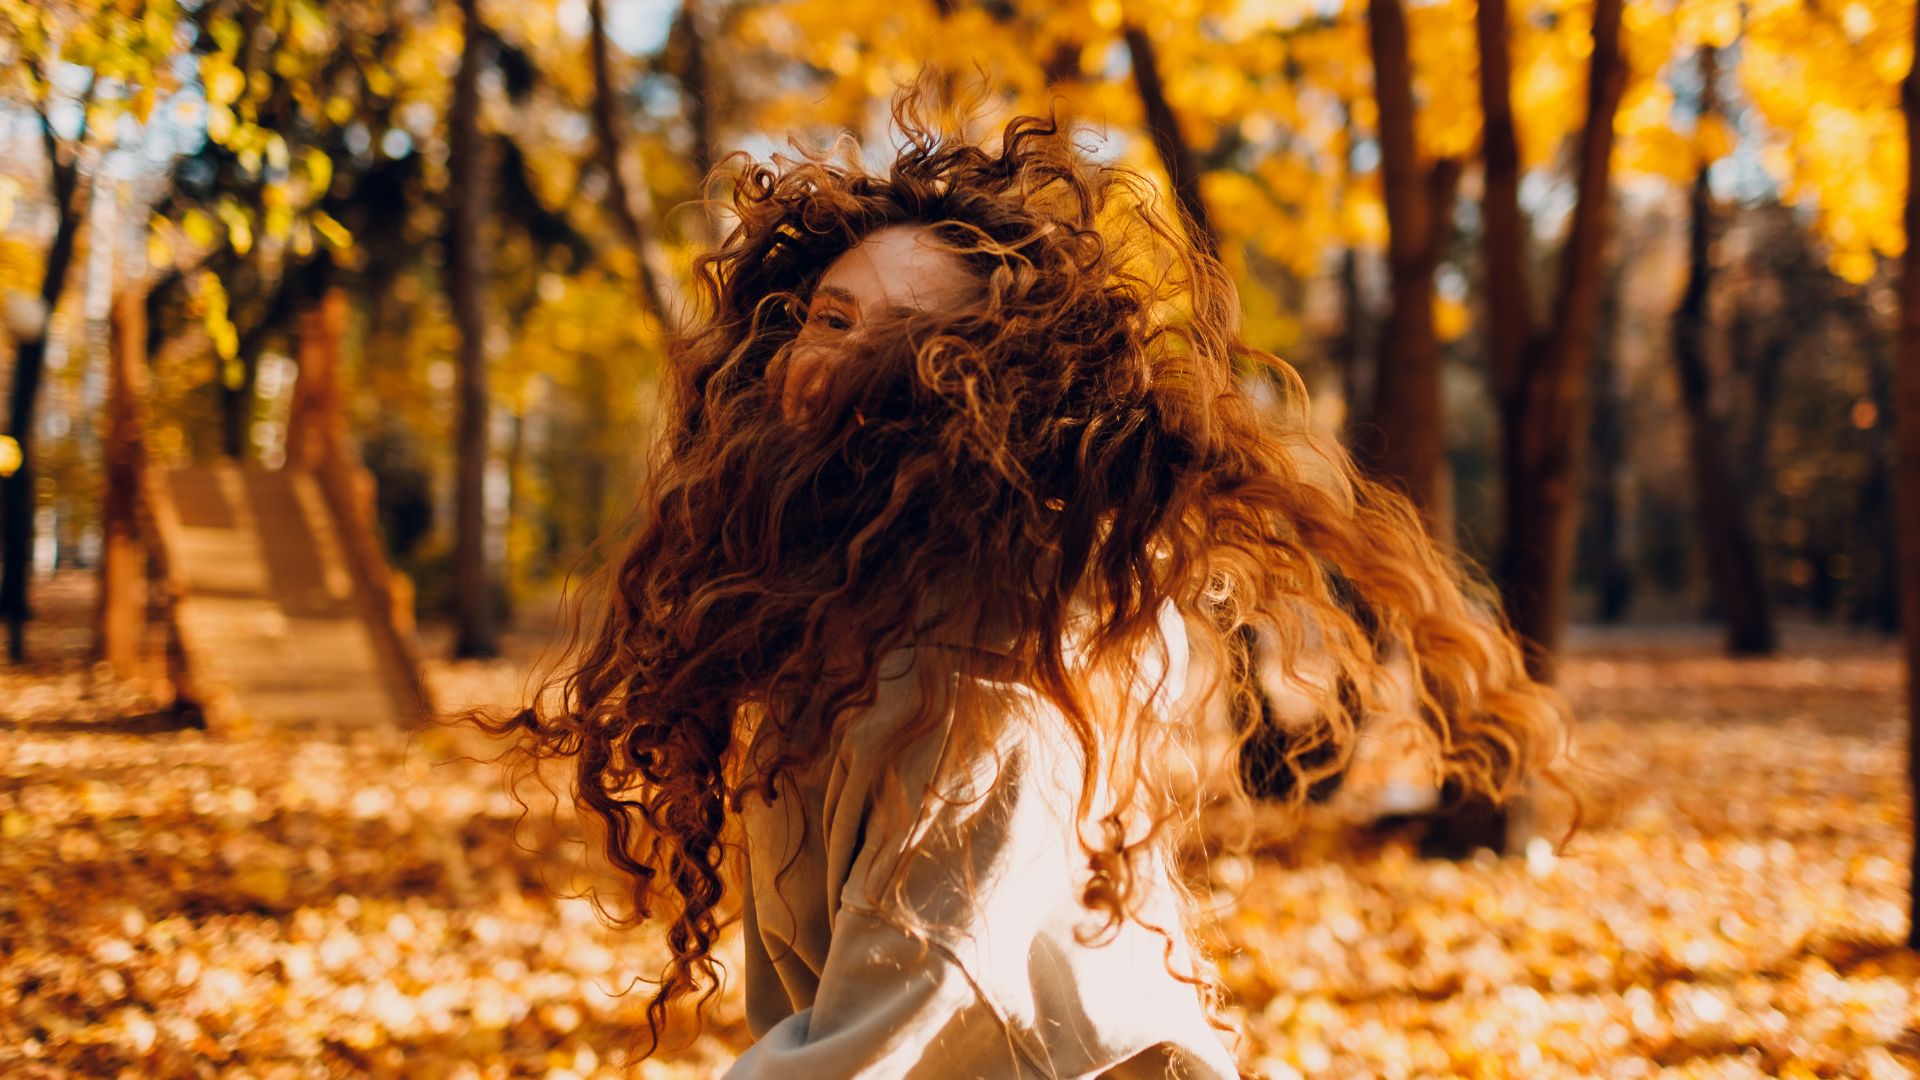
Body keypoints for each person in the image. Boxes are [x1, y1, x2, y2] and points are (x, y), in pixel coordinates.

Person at [474, 83, 1572, 1078]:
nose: (841, 356)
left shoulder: (978, 676)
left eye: (909, 339)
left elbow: (882, 1035)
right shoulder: (834, 614)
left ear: (980, 395)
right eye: (830, 316)